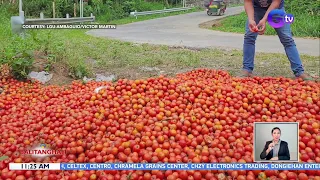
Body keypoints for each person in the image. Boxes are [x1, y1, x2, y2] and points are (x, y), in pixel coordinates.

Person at [240, 0, 313, 81]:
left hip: (276, 9)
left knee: (287, 38)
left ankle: (299, 72)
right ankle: (247, 69)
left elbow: (276, 2)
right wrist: (251, 19)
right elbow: (248, 2)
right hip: (256, 9)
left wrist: (264, 20)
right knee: (249, 36)